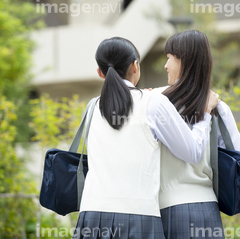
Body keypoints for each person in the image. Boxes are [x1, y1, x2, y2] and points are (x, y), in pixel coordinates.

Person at [72, 37, 220, 239]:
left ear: (100, 72)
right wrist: (204, 114)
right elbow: (193, 152)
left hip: (91, 213)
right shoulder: (153, 103)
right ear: (135, 66)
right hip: (138, 215)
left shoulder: (91, 107)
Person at [157, 30, 240, 239]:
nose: (166, 65)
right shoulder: (217, 107)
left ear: (184, 61)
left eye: (169, 58)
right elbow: (239, 153)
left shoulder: (156, 105)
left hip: (166, 208)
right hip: (207, 208)